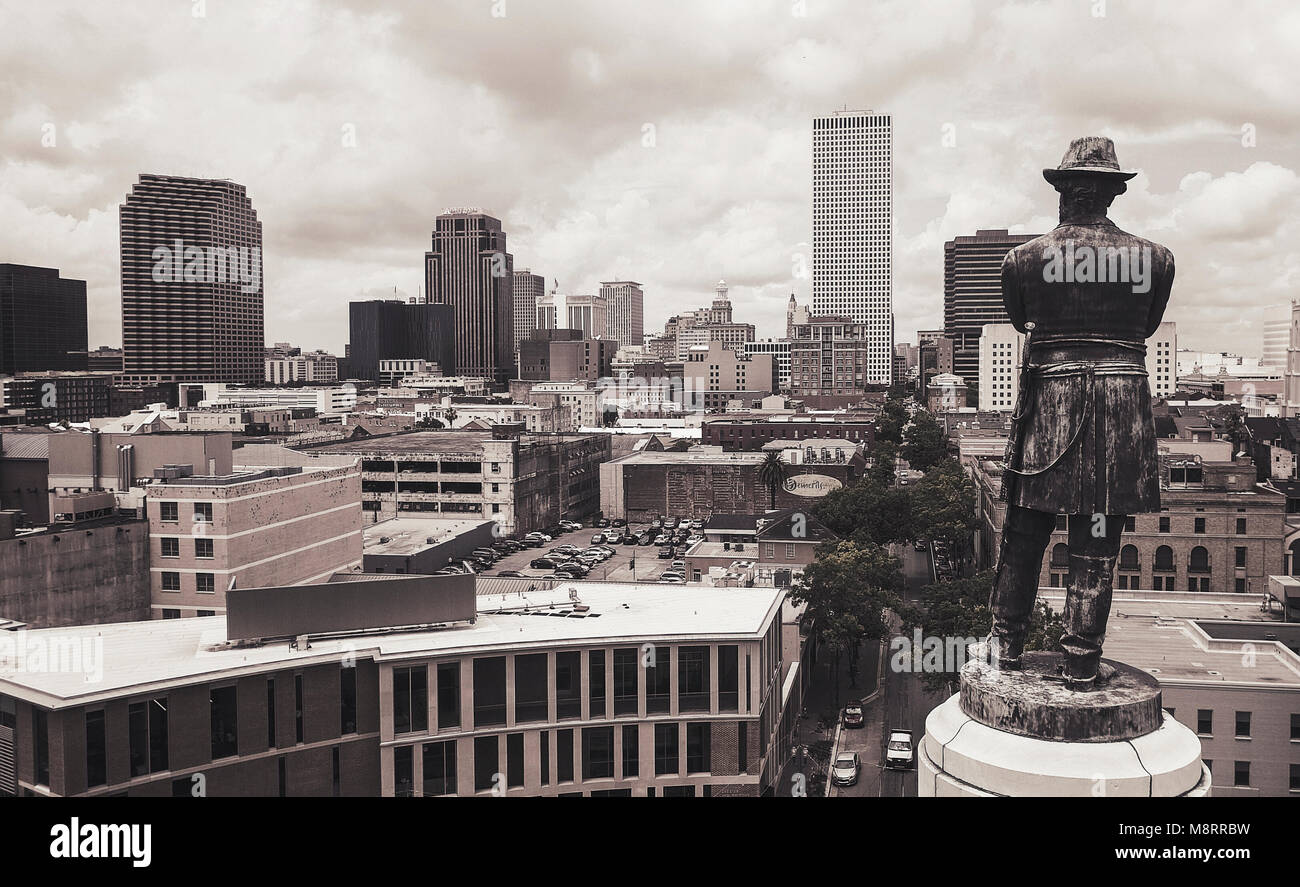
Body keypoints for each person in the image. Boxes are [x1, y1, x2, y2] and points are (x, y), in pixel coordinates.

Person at [988, 136, 1175, 689]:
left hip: (1050, 399)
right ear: (1115, 192)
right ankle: (1081, 662)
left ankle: (1006, 645)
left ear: (1062, 191)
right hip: (1123, 407)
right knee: (1098, 544)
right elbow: (1143, 328)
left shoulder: (1024, 261)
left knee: (1025, 530)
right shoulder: (1156, 259)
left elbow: (1022, 321)